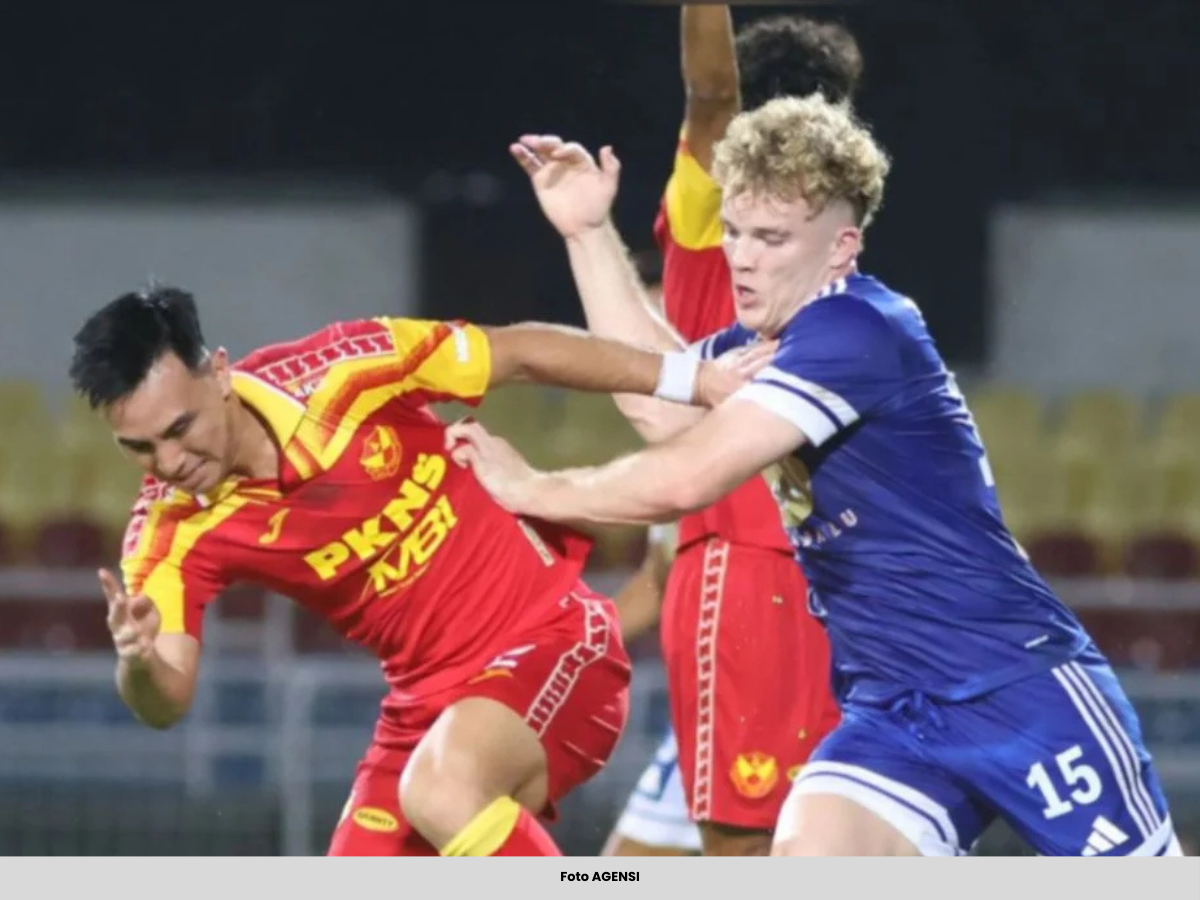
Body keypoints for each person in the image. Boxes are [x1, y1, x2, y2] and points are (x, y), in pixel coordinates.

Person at [449, 94, 1183, 857]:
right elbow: (659, 402)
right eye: (734, 231)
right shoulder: (768, 345)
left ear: (841, 247)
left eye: (771, 238)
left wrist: (533, 487)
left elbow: (685, 477)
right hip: (893, 714)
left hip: (1014, 689)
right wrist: (588, 232)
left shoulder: (858, 329)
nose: (741, 257)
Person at [68, 286, 760, 857]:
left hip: (554, 641)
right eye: (140, 448)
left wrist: (695, 379)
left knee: (441, 790)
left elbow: (518, 352)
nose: (169, 462)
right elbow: (167, 698)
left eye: (180, 428)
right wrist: (137, 664)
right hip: (424, 716)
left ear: (219, 373)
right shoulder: (168, 531)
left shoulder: (342, 371)